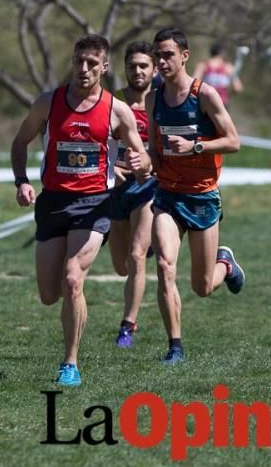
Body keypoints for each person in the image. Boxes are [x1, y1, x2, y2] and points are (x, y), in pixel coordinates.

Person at [11, 34, 150, 386]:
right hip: (53, 202)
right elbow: (20, 141)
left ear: (104, 67)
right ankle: (70, 333)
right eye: (79, 61)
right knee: (48, 294)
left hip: (94, 204)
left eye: (92, 63)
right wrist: (21, 181)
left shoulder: (117, 111)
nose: (84, 69)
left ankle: (69, 362)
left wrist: (139, 162)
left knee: (73, 278)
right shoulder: (48, 103)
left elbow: (144, 162)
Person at [148, 27, 244, 365]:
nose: (161, 61)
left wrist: (195, 147)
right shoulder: (153, 97)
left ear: (184, 56)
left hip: (202, 198)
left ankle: (226, 264)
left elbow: (233, 141)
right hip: (168, 196)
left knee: (202, 287)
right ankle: (175, 347)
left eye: (168, 55)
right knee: (164, 265)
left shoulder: (205, 95)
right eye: (157, 55)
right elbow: (153, 146)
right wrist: (147, 163)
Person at [109, 41, 159, 349]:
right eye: (132, 66)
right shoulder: (112, 103)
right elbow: (95, 145)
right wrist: (112, 166)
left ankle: (127, 326)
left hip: (148, 187)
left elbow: (169, 147)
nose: (137, 71)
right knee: (121, 266)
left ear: (154, 70)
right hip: (116, 189)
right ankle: (149, 244)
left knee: (137, 256)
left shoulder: (161, 105)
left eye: (143, 66)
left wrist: (151, 163)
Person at [193, 42, 243, 108]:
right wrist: (227, 94)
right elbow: (237, 88)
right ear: (223, 53)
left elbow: (194, 86)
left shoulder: (203, 66)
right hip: (222, 103)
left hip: (205, 103)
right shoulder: (228, 68)